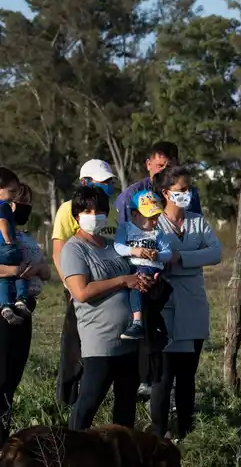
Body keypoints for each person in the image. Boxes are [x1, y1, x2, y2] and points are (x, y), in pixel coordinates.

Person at [60, 185, 152, 429]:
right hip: (100, 343)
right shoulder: (74, 249)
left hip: (128, 343)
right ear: (77, 215)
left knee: (125, 408)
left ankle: (120, 460)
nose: (94, 215)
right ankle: (70, 454)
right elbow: (81, 292)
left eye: (99, 210)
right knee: (88, 403)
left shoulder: (114, 245)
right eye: (87, 210)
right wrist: (123, 280)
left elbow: (134, 276)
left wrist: (143, 279)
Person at [148, 165, 221, 440]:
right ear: (166, 193)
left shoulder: (197, 221)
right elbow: (155, 257)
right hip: (164, 307)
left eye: (189, 189)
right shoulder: (155, 223)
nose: (186, 194)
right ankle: (157, 435)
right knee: (163, 377)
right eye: (180, 190)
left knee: (187, 376)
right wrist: (188, 256)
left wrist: (181, 258)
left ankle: (185, 433)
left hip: (193, 304)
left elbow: (215, 252)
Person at [52, 159, 119, 413]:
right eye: (101, 182)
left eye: (109, 182)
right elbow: (59, 253)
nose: (107, 187)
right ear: (85, 182)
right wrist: (70, 287)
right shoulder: (69, 209)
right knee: (74, 342)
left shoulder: (112, 210)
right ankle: (68, 397)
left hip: (108, 282)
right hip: (79, 283)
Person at [0, 184, 47, 437]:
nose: (25, 208)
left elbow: (47, 270)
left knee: (12, 379)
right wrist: (17, 271)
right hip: (2, 310)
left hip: (25, 308)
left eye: (29, 202)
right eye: (20, 201)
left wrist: (36, 269)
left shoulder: (27, 238)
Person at [113, 190, 172, 341]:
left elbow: (168, 253)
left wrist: (158, 255)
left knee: (137, 286)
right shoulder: (125, 228)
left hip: (150, 267)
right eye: (150, 217)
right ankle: (157, 325)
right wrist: (134, 250)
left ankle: (137, 323)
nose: (155, 222)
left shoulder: (157, 233)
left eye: (157, 217)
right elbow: (118, 246)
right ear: (134, 214)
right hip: (132, 265)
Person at [114, 140, 201, 217]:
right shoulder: (131, 195)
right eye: (160, 166)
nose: (164, 170)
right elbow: (123, 230)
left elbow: (198, 224)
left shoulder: (189, 193)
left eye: (169, 166)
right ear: (148, 164)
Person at [0, 168, 29, 326]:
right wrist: (9, 239)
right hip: (6, 247)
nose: (13, 196)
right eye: (11, 191)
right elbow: (2, 222)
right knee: (21, 270)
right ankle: (21, 299)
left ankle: (5, 305)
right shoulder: (3, 205)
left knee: (3, 279)